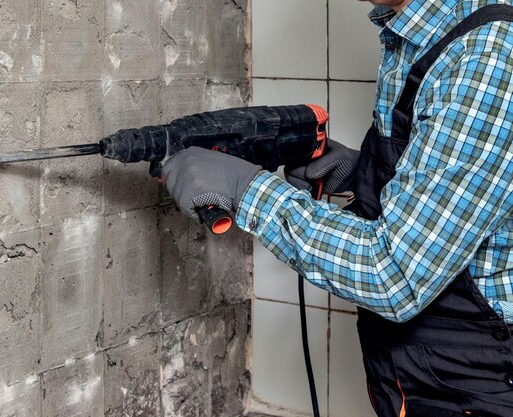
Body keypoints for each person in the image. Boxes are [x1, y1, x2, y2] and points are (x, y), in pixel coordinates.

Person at [162, 0, 513, 415]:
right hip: (414, 371)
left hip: (471, 382)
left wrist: (246, 190)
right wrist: (363, 175)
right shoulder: (414, 30)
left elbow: (395, 275)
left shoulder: (489, 55)